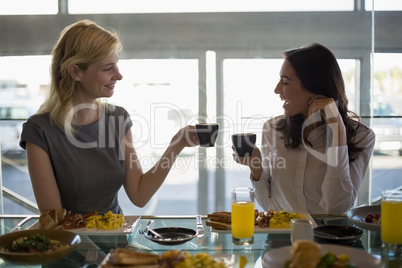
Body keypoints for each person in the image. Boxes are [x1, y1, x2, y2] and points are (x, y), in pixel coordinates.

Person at [19, 19, 198, 215]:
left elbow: (139, 195)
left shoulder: (118, 118)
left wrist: (177, 143)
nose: (119, 75)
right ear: (76, 72)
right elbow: (53, 218)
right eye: (107, 68)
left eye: (117, 65)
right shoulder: (39, 131)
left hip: (115, 238)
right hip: (72, 242)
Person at [234, 43, 375, 215]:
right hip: (282, 239)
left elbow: (336, 207)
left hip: (329, 239)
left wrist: (337, 131)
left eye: (285, 82)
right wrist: (256, 169)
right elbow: (270, 206)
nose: (277, 90)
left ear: (314, 86)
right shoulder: (272, 129)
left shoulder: (361, 137)